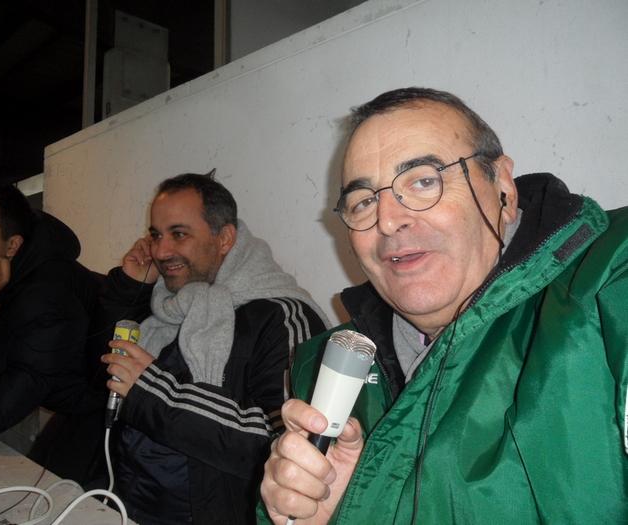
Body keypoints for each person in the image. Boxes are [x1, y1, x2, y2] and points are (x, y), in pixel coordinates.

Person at [259, 87, 628, 524]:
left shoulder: (610, 280)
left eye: (423, 181)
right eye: (363, 202)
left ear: (503, 187)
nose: (389, 219)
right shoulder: (326, 369)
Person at [99, 171, 329, 525]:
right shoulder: (167, 302)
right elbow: (99, 381)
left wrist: (156, 393)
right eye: (156, 235)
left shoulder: (282, 317)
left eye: (179, 234)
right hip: (131, 504)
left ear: (224, 239)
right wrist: (131, 288)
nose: (160, 251)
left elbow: (287, 443)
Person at [0, 181, 106, 482]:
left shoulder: (47, 297)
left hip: (113, 418)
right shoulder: (15, 277)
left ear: (12, 245)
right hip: (79, 405)